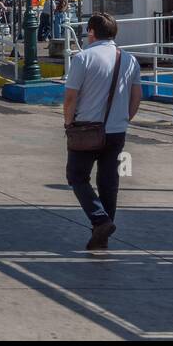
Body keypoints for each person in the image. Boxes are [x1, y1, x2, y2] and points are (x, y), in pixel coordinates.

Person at [63, 13, 142, 250]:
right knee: (109, 182)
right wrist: (124, 119)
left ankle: (100, 220)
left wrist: (69, 124)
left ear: (91, 32)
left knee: (77, 177)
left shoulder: (83, 58)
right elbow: (136, 96)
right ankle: (102, 235)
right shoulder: (129, 60)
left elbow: (70, 98)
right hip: (117, 131)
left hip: (85, 129)